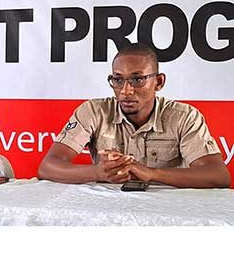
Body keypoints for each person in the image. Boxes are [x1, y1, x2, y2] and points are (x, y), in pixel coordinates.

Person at [38, 43, 230, 188]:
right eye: (118, 79)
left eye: (138, 79)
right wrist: (97, 172)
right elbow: (47, 167)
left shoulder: (184, 117)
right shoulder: (94, 111)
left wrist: (151, 174)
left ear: (159, 82)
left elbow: (217, 175)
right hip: (107, 212)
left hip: (168, 213)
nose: (126, 91)